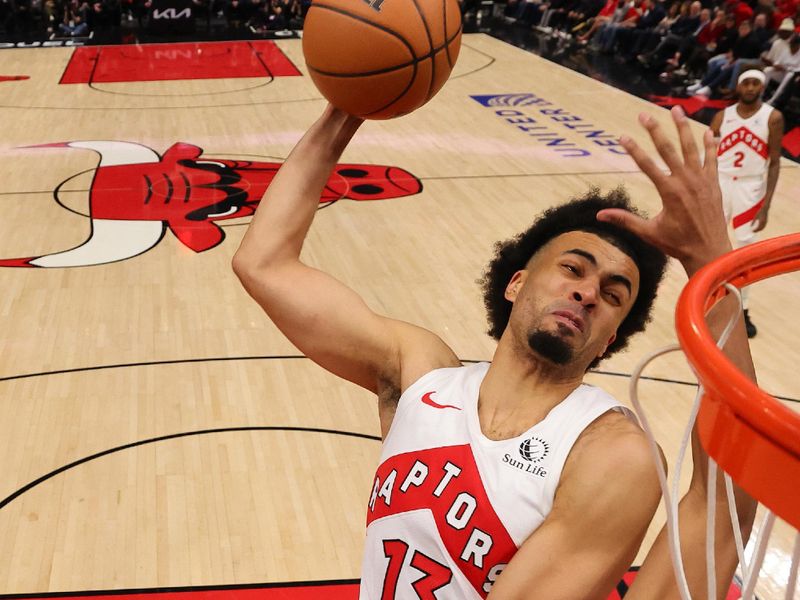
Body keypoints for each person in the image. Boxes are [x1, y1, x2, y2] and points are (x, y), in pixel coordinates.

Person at [232, 106, 758, 598]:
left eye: (614, 294)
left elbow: (723, 506)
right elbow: (265, 263)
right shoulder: (421, 373)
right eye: (573, 268)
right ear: (516, 283)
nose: (588, 291)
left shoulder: (611, 452)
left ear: (611, 339)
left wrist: (711, 264)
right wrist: (345, 111)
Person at [710, 69, 784, 338]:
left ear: (762, 87)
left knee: (744, 249)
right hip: (721, 183)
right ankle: (708, 299)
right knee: (712, 242)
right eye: (746, 83)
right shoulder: (722, 116)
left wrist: (766, 205)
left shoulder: (772, 118)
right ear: (738, 87)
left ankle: (742, 308)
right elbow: (710, 156)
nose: (751, 88)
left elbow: (774, 162)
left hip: (750, 187)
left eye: (756, 83)